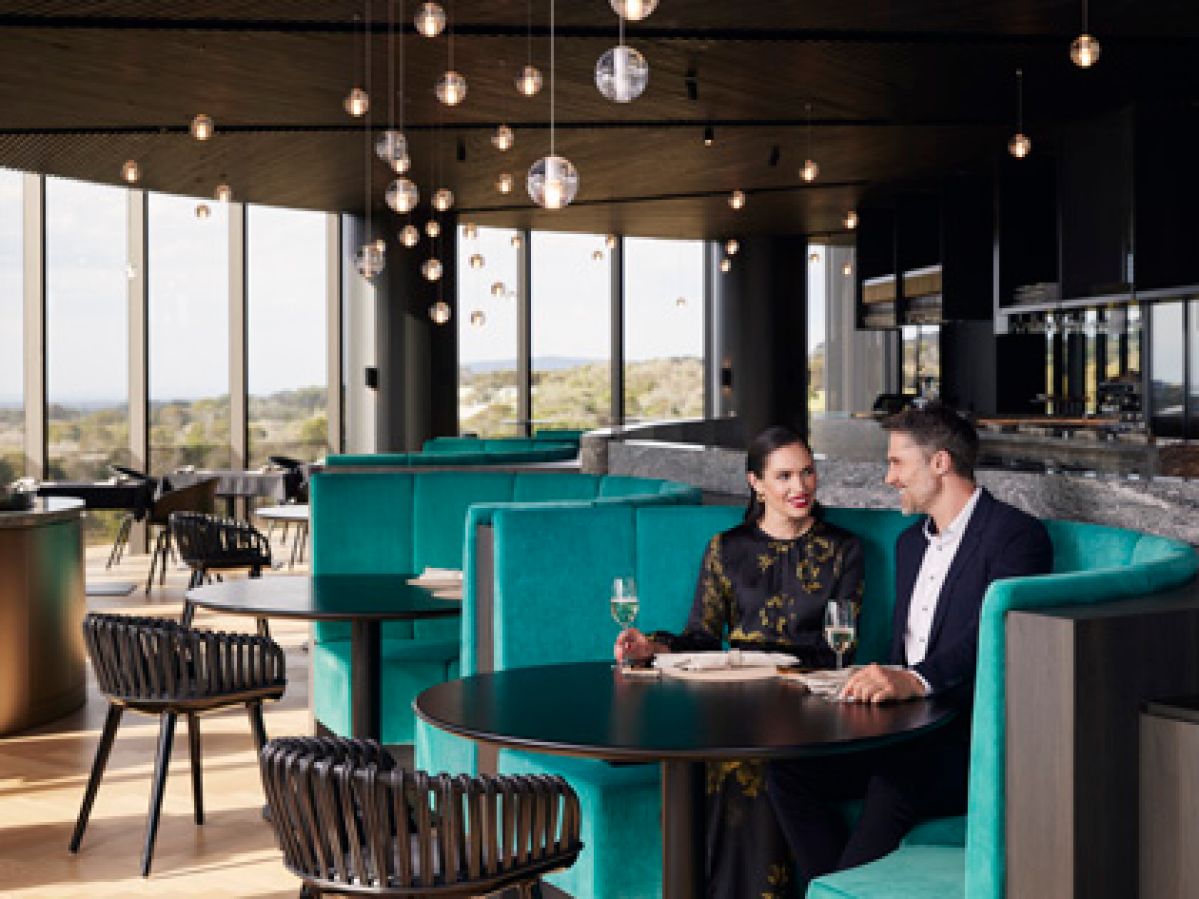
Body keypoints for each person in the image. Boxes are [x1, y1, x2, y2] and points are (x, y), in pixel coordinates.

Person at [765, 404, 1053, 892]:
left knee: (895, 778)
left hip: (966, 740)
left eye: (898, 462)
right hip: (901, 730)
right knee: (787, 768)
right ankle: (834, 889)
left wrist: (914, 680)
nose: (889, 477)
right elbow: (904, 649)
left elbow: (996, 639)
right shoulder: (909, 545)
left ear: (940, 463)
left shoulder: (1015, 537)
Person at [616, 425, 865, 899]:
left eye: (808, 473)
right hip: (735, 702)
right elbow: (701, 639)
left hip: (806, 702)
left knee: (756, 762)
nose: (801, 487)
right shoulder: (725, 549)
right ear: (756, 482)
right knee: (722, 759)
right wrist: (649, 648)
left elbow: (839, 652)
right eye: (785, 476)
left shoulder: (843, 549)